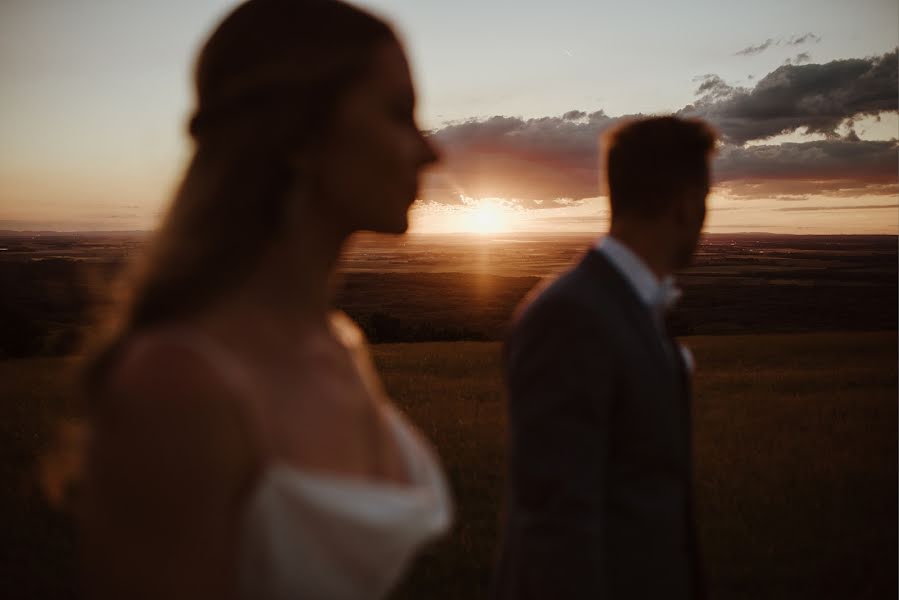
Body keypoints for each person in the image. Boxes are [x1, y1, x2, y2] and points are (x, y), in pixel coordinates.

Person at [79, 1, 451, 598]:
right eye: (397, 113)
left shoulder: (339, 342)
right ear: (299, 135)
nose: (431, 152)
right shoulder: (178, 382)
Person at [491, 116, 716, 599]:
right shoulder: (573, 316)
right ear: (685, 203)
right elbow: (554, 527)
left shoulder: (627, 305)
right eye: (706, 201)